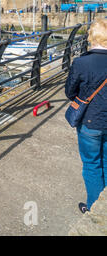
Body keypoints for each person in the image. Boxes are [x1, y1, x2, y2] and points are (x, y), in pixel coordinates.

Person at [65, 18, 107, 213]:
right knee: (106, 162)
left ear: (92, 36)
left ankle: (94, 210)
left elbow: (69, 92)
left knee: (91, 165)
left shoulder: (81, 62)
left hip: (90, 122)